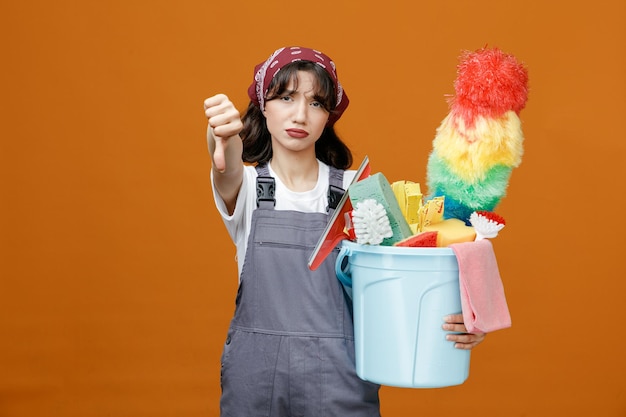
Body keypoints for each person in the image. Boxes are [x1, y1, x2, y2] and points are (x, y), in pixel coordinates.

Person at [203, 46, 486, 417]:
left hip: (339, 380)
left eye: (317, 103)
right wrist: (220, 136)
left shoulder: (360, 190)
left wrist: (470, 313)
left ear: (328, 118)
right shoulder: (248, 189)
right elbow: (226, 167)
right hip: (255, 382)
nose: (300, 114)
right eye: (286, 97)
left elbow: (410, 274)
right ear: (263, 105)